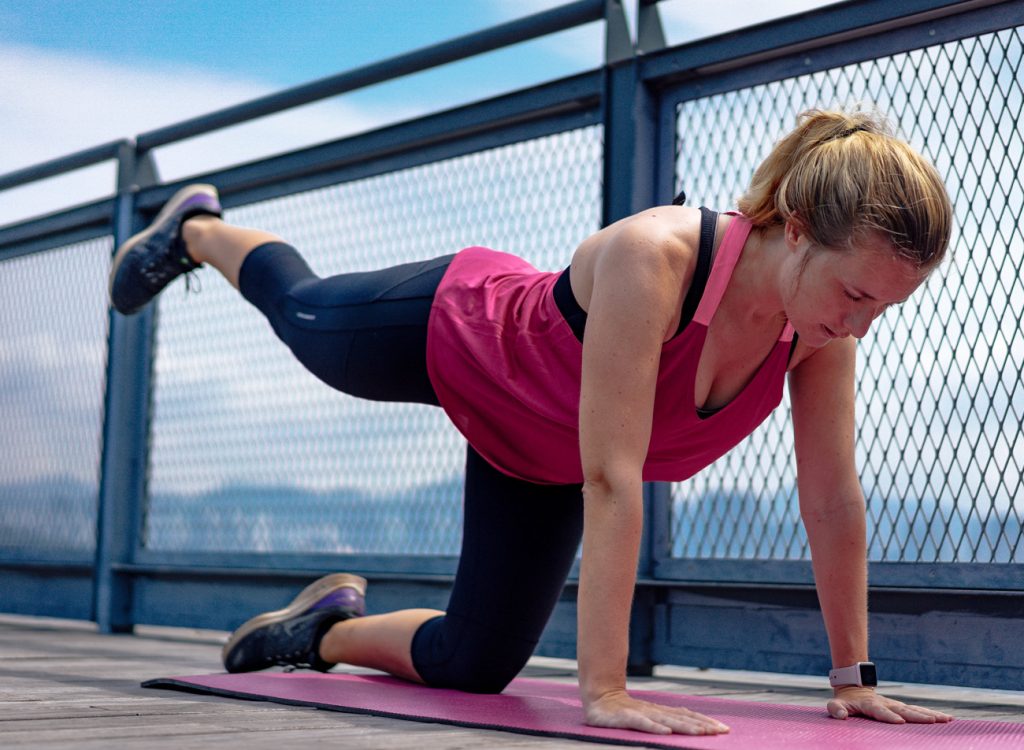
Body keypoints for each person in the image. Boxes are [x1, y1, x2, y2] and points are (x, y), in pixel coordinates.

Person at [109, 108, 955, 736]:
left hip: (538, 453)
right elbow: (614, 479)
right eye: (855, 294)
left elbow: (833, 502)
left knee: (474, 666)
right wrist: (606, 689)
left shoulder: (819, 337)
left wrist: (852, 677)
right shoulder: (656, 257)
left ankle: (323, 630)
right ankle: (199, 228)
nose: (861, 326)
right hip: (463, 336)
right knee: (306, 323)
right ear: (797, 230)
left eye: (885, 307)